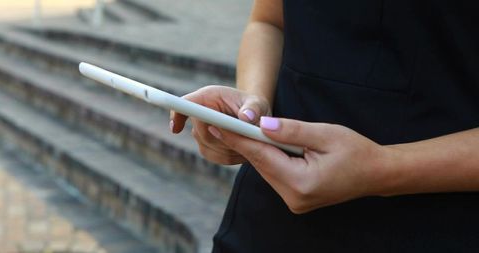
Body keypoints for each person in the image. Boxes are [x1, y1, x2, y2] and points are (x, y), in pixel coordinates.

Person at [171, 0, 479, 252]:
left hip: (437, 228)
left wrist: (381, 167)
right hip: (269, 221)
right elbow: (268, 21)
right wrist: (252, 105)